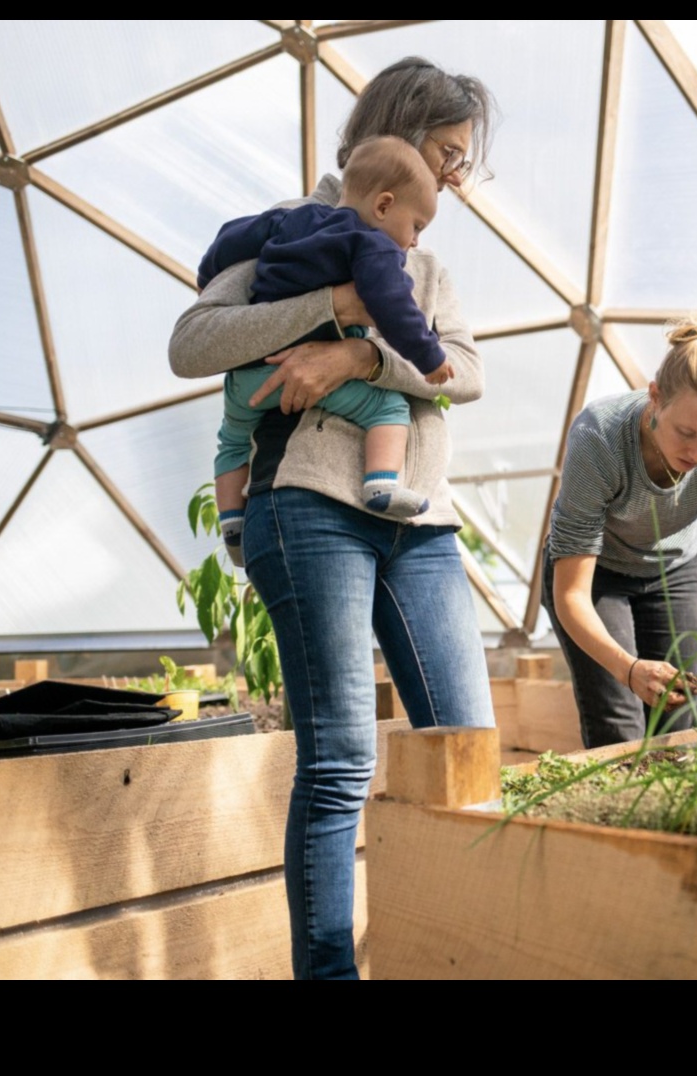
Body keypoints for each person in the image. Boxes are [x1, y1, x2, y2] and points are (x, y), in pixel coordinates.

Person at [168, 56, 497, 980]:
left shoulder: (423, 256)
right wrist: (332, 307)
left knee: (464, 746)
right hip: (310, 508)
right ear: (395, 139)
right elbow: (192, 343)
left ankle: (455, 955)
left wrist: (358, 363)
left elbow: (463, 372)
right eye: (447, 153)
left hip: (419, 522)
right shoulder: (284, 234)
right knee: (343, 760)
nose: (458, 176)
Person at [200, 136, 457, 563]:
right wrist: (429, 356)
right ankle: (381, 486)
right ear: (383, 206)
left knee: (231, 440)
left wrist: (208, 275)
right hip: (309, 375)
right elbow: (393, 307)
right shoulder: (373, 246)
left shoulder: (292, 220)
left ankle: (231, 521)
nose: (413, 242)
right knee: (389, 409)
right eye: (416, 226)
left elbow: (232, 237)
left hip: (248, 375)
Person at [542, 314, 697, 749]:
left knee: (679, 725)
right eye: (687, 433)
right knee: (619, 726)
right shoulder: (600, 437)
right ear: (656, 398)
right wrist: (627, 668)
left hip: (676, 570)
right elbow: (571, 593)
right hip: (595, 576)